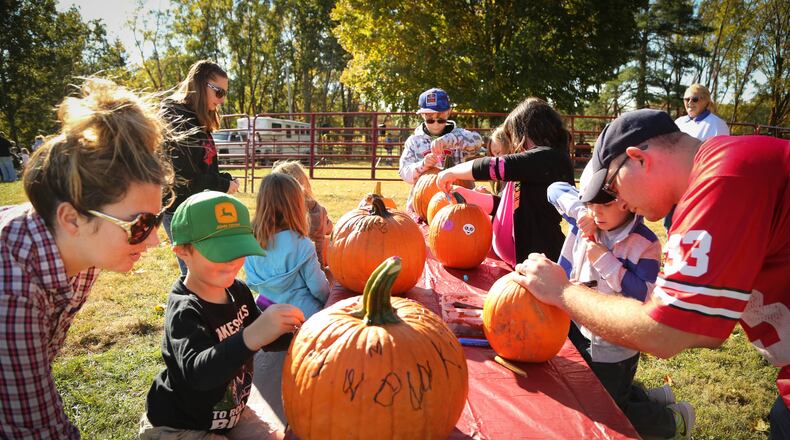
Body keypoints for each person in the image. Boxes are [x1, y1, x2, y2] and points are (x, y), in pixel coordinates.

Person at [515, 109, 789, 439]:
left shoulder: (721, 181)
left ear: (639, 159)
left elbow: (665, 332)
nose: (622, 205)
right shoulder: (720, 172)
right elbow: (705, 330)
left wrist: (562, 292)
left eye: (614, 189)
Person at [0, 78, 173, 438]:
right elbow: (33, 429)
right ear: (71, 218)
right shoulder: (12, 288)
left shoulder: (79, 251)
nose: (155, 241)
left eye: (156, 220)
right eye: (140, 224)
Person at [141, 191, 304, 439]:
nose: (231, 261)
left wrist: (303, 336)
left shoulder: (238, 291)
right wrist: (252, 334)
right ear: (182, 250)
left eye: (237, 249)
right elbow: (199, 374)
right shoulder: (185, 310)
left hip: (228, 417)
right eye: (220, 251)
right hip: (180, 426)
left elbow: (264, 336)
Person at [547, 175, 686, 439]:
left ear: (624, 202)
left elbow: (644, 294)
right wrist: (580, 211)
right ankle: (652, 398)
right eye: (590, 204)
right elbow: (553, 189)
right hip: (578, 324)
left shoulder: (645, 243)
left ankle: (670, 421)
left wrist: (605, 261)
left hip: (615, 341)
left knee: (608, 408)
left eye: (603, 206)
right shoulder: (587, 218)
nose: (596, 212)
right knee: (595, 386)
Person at [435, 97, 574, 266]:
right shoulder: (530, 166)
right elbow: (503, 206)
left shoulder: (550, 159)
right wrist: (467, 196)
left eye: (515, 136)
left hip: (542, 259)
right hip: (522, 262)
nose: (515, 143)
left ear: (530, 131)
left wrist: (450, 172)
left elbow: (495, 166)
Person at [243, 172, 330, 427]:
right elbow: (318, 287)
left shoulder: (252, 240)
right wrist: (331, 298)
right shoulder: (301, 244)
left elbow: (251, 280)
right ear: (296, 205)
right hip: (302, 319)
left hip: (266, 313)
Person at [162, 59, 239, 275]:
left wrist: (224, 179)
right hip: (181, 210)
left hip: (198, 207)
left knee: (209, 271)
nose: (221, 100)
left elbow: (202, 168)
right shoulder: (176, 118)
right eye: (219, 92)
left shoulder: (197, 118)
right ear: (201, 84)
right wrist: (223, 185)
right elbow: (186, 178)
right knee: (196, 275)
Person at [398, 87, 482, 213]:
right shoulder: (414, 141)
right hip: (423, 204)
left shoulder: (459, 134)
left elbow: (477, 142)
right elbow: (404, 172)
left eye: (441, 118)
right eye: (430, 119)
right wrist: (422, 165)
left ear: (448, 112)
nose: (436, 124)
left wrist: (450, 139)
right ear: (422, 115)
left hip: (457, 202)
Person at [271, 160, 333, 268]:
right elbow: (329, 230)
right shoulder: (316, 209)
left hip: (280, 269)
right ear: (304, 183)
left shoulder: (273, 211)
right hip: (314, 269)